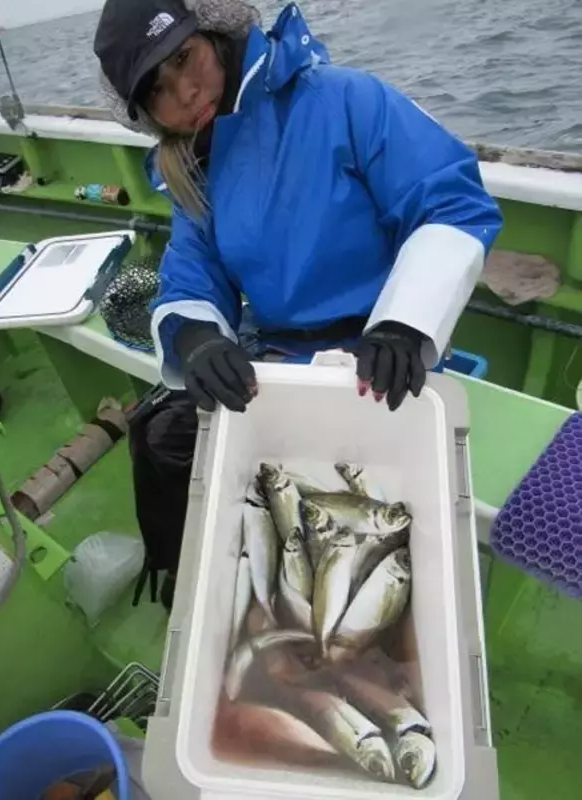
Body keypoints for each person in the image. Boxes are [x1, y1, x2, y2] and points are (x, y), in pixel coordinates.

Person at [94, 0, 503, 609]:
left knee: (399, 504)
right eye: (156, 89)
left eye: (184, 58)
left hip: (384, 354)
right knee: (160, 437)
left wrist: (403, 323)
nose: (185, 92)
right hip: (283, 360)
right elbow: (191, 273)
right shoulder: (191, 167)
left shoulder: (346, 99)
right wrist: (196, 337)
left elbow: (450, 202)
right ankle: (214, 586)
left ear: (215, 31)